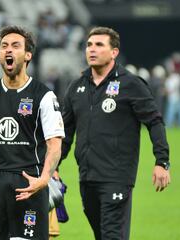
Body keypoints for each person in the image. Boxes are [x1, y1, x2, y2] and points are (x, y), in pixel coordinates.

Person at [61, 26, 171, 240]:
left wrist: (161, 161)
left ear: (114, 52)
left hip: (116, 177)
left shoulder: (131, 84)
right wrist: (52, 168)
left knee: (112, 235)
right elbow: (65, 133)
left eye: (99, 45)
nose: (92, 49)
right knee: (103, 235)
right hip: (86, 178)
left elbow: (155, 121)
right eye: (89, 45)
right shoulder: (76, 87)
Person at [0, 25, 65, 240]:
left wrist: (44, 179)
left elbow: (54, 143)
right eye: (4, 46)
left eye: (15, 46)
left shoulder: (44, 96)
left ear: (28, 55)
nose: (8, 50)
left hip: (27, 183)